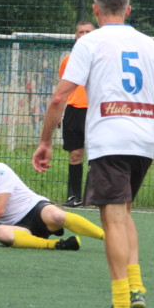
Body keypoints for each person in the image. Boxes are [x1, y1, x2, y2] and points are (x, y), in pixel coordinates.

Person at [32, 0, 154, 308]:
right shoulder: (150, 46)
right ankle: (136, 289)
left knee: (114, 220)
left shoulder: (89, 42)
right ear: (128, 10)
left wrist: (45, 142)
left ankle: (121, 304)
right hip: (144, 142)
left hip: (110, 140)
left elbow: (59, 98)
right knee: (124, 215)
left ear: (96, 10)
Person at [0, 162, 105, 250]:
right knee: (1, 233)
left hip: (35, 209)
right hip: (18, 228)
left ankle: (107, 237)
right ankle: (58, 245)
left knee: (57, 216)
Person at [58, 20, 95, 208]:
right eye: (80, 32)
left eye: (88, 31)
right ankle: (75, 196)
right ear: (75, 35)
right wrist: (58, 112)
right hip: (74, 111)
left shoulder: (102, 58)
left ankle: (94, 196)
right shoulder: (68, 60)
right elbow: (62, 89)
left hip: (95, 110)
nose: (84, 35)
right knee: (75, 154)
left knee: (97, 156)